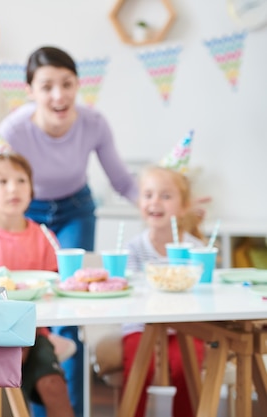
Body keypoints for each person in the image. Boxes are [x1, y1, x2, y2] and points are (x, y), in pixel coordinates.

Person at [0, 45, 140, 416]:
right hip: (28, 212)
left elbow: (123, 182)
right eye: (46, 86)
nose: (58, 95)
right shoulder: (14, 129)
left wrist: (162, 204)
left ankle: (69, 411)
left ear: (79, 84)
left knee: (70, 318)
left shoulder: (94, 123)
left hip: (76, 211)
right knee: (34, 314)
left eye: (66, 83)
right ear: (30, 91)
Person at [0, 133, 75, 417]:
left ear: (32, 190)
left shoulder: (44, 237)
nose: (13, 189)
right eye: (2, 181)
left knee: (54, 387)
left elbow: (55, 290)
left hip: (33, 333)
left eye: (21, 181)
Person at [123, 158, 205, 417]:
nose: (155, 202)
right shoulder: (135, 248)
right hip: (140, 326)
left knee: (185, 367)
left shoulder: (196, 251)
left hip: (185, 325)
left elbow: (203, 296)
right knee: (138, 367)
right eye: (148, 195)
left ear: (183, 207)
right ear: (140, 203)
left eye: (166, 196)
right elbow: (131, 295)